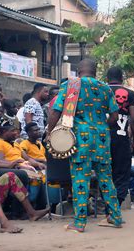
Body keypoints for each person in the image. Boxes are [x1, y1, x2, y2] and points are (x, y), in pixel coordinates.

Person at [47, 58, 122, 232]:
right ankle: (115, 217)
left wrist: (50, 132)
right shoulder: (105, 88)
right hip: (102, 139)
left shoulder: (71, 85)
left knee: (81, 179)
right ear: (95, 71)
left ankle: (79, 222)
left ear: (79, 70)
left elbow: (56, 111)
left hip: (80, 140)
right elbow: (115, 117)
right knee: (106, 179)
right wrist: (100, 125)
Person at [107, 67, 134, 206]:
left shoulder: (103, 91)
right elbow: (133, 119)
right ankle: (117, 206)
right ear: (122, 77)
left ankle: (106, 203)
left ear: (107, 78)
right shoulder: (130, 94)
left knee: (105, 172)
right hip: (122, 139)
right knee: (122, 174)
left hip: (103, 139)